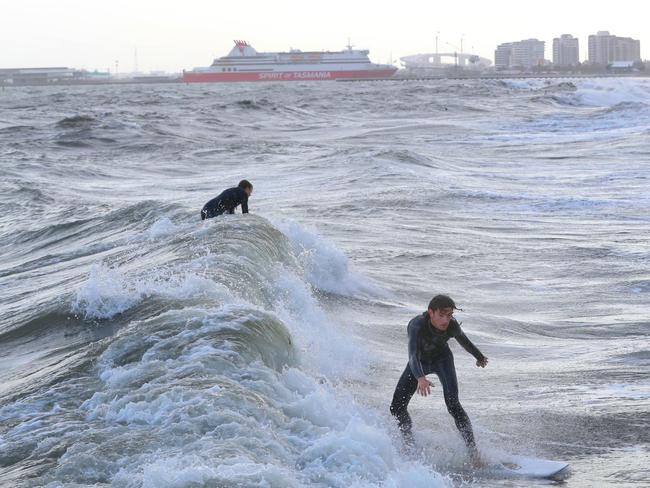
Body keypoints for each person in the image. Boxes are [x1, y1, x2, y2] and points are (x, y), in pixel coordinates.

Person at [390, 294, 488, 462]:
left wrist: (479, 356)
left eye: (449, 315)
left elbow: (464, 341)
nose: (445, 320)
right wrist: (420, 377)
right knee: (396, 407)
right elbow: (412, 355)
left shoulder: (452, 325)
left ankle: (473, 454)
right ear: (431, 312)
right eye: (441, 315)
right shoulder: (416, 325)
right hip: (419, 362)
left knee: (453, 405)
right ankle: (408, 443)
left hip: (443, 361)